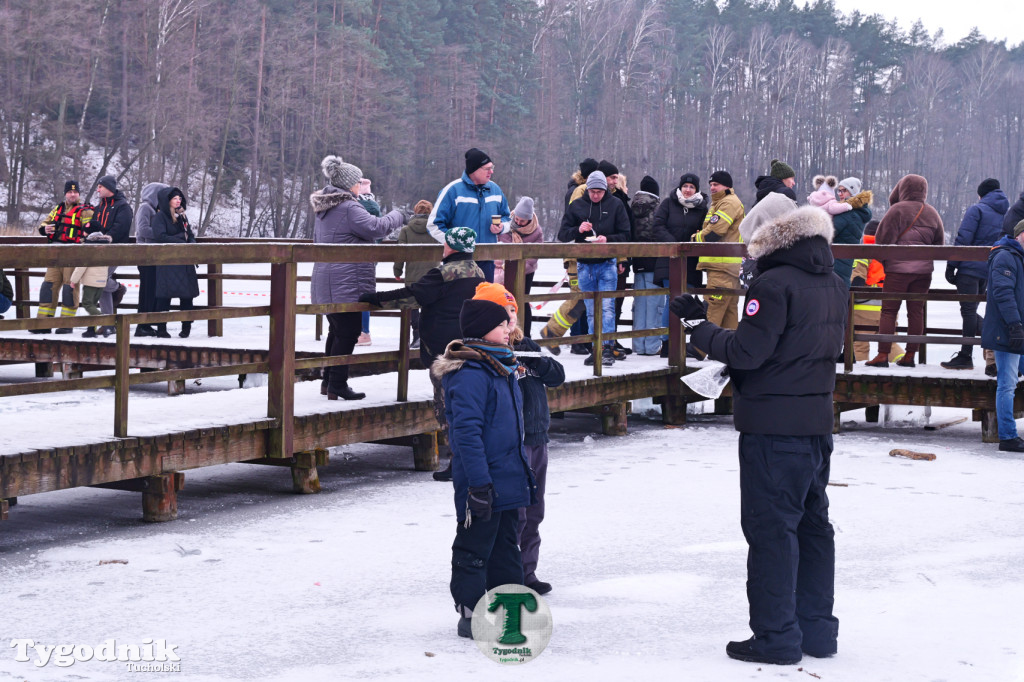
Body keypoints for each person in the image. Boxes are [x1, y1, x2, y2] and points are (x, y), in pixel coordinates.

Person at [672, 205, 847, 665]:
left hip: (773, 428)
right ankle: (817, 631)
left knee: (772, 531)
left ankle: (776, 635)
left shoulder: (773, 285)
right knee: (812, 527)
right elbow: (805, 347)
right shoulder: (833, 281)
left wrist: (699, 326)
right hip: (815, 422)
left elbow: (749, 351)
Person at [432, 298, 536, 638]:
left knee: (506, 548)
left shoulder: (500, 366)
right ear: (482, 329)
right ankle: (470, 613)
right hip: (481, 481)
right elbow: (466, 434)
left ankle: (510, 611)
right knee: (474, 547)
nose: (509, 329)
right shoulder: (470, 374)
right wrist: (478, 485)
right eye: (501, 324)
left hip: (507, 476)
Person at [359, 227, 486, 480]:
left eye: (446, 243)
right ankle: (471, 461)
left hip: (444, 353)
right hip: (471, 348)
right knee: (470, 408)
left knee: (448, 409)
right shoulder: (478, 271)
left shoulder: (443, 274)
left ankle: (459, 464)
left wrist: (374, 298)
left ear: (451, 246)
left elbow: (412, 296)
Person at [311, 155, 403, 400]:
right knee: (349, 332)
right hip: (345, 280)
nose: (360, 185)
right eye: (358, 181)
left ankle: (328, 382)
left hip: (327, 277)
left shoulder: (325, 207)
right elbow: (376, 228)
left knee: (337, 330)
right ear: (349, 184)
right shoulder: (349, 207)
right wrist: (398, 215)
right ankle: (337, 385)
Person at [866, 174, 945, 368]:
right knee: (916, 311)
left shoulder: (897, 210)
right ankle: (910, 356)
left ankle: (882, 355)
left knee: (889, 311)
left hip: (897, 271)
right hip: (923, 273)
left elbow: (882, 241)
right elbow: (939, 244)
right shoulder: (932, 212)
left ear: (902, 189)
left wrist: (887, 262)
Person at [557, 170, 632, 366]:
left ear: (605, 190)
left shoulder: (615, 204)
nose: (596, 195)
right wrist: (578, 230)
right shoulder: (577, 205)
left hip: (607, 263)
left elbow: (626, 234)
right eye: (592, 191)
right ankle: (595, 348)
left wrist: (608, 239)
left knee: (607, 308)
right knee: (590, 310)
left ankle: (607, 348)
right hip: (584, 265)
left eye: (599, 191)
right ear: (587, 189)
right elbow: (562, 234)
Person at [942, 178, 1008, 371]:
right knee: (971, 310)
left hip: (969, 269)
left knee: (968, 311)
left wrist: (951, 265)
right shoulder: (1005, 213)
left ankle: (966, 355)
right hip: (989, 270)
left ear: (982, 194)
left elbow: (964, 238)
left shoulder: (977, 210)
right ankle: (992, 341)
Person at [426, 148, 510, 282]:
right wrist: (456, 244)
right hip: (458, 263)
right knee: (460, 296)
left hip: (487, 261)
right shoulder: (452, 191)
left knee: (484, 296)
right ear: (474, 170)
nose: (491, 172)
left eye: (492, 167)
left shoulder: (495, 190)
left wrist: (502, 227)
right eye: (487, 168)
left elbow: (508, 218)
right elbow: (434, 225)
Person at [690, 170, 745, 356]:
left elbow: (715, 232)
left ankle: (699, 349)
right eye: (711, 184)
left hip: (721, 266)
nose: (712, 188)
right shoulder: (720, 203)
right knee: (729, 312)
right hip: (727, 267)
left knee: (713, 308)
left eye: (716, 184)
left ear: (727, 186)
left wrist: (695, 238)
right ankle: (730, 350)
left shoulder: (728, 203)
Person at [981, 219, 1024, 452]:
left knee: (1008, 384)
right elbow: (1003, 293)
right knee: (1007, 385)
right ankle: (1007, 437)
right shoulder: (1005, 256)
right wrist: (1015, 325)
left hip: (1019, 330)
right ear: (1019, 235)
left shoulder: (1019, 257)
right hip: (1007, 331)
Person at [31, 180, 93, 334]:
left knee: (69, 288)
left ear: (79, 194)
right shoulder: (58, 209)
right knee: (48, 286)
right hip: (55, 255)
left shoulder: (85, 211)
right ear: (65, 193)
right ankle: (43, 323)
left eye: (75, 192)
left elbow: (90, 234)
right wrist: (45, 229)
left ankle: (66, 323)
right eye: (70, 192)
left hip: (73, 255)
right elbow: (43, 225)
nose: (73, 195)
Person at [851, 222, 904, 364]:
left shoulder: (863, 252)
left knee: (860, 344)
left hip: (864, 310)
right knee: (890, 344)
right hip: (889, 309)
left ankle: (860, 371)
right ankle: (902, 363)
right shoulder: (892, 254)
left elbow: (857, 280)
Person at [87, 174, 133, 335]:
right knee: (100, 284)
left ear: (109, 188)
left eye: (100, 186)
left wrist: (106, 238)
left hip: (115, 250)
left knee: (99, 280)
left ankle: (118, 288)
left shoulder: (123, 206)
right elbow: (95, 226)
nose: (97, 190)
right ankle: (108, 324)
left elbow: (121, 228)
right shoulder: (99, 207)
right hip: (98, 251)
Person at [151, 187, 199, 339]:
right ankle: (161, 329)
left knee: (187, 296)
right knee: (164, 297)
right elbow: (160, 237)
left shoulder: (182, 216)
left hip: (184, 261)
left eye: (179, 198)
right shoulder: (160, 217)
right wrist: (181, 239)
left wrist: (191, 244)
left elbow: (189, 235)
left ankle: (186, 327)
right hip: (168, 262)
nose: (178, 201)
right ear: (167, 201)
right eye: (174, 198)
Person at [495, 196, 544, 338]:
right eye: (516, 218)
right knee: (502, 300)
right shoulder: (506, 225)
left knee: (523, 300)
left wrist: (519, 268)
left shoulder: (537, 231)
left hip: (525, 271)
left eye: (522, 221)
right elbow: (499, 242)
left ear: (529, 219)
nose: (518, 222)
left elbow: (534, 256)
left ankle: (525, 335)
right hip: (503, 269)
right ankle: (503, 334)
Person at [393, 199, 438, 348]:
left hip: (413, 275)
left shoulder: (406, 230)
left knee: (413, 306)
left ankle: (417, 335)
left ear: (415, 211)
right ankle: (429, 336)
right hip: (433, 276)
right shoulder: (435, 229)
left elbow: (400, 254)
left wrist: (397, 271)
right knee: (431, 305)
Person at [631, 175, 665, 355]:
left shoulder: (632, 207)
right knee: (654, 305)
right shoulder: (658, 208)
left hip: (637, 263)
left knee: (640, 305)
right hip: (655, 263)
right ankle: (652, 346)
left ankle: (638, 345)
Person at [133, 182, 170, 337]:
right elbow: (142, 230)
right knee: (146, 291)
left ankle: (147, 324)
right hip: (145, 256)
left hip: (153, 256)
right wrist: (162, 234)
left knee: (152, 291)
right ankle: (142, 325)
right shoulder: (145, 208)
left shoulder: (156, 210)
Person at [69, 231, 115, 337]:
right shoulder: (107, 249)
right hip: (101, 283)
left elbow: (81, 267)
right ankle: (91, 330)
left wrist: (73, 280)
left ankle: (106, 322)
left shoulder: (89, 250)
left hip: (90, 283)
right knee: (93, 306)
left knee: (87, 304)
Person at [831, 176, 873, 288]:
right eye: (839, 190)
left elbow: (829, 232)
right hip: (845, 258)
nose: (840, 194)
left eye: (843, 190)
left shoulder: (848, 213)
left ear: (852, 192)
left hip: (836, 258)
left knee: (836, 288)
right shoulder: (856, 212)